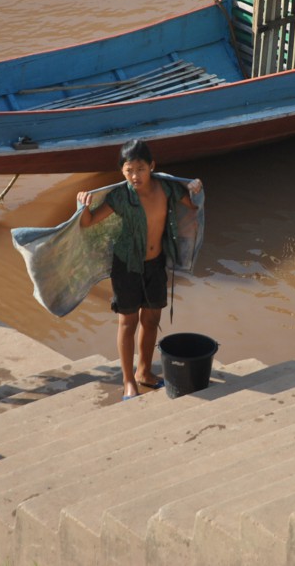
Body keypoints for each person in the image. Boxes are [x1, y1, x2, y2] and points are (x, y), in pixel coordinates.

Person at [76, 139, 202, 400]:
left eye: (140, 169)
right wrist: (82, 205)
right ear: (122, 171)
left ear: (152, 166)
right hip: (126, 266)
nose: (135, 176)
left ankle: (145, 371)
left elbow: (193, 206)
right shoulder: (120, 196)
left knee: (152, 319)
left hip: (156, 264)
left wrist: (196, 189)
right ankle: (128, 380)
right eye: (129, 170)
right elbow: (88, 223)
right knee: (127, 322)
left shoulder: (166, 188)